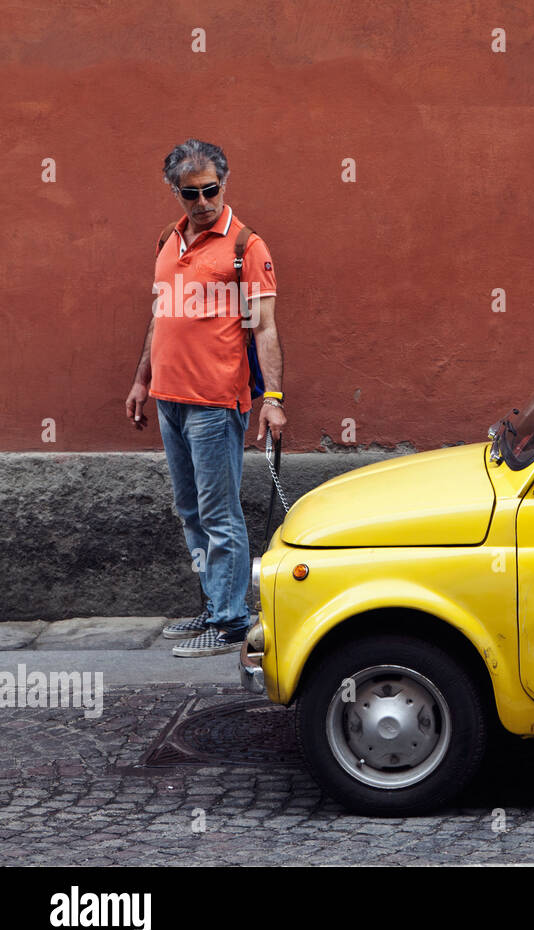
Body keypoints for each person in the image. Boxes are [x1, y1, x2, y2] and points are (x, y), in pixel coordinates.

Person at [124, 139, 286, 657]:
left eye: (211, 189)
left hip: (215, 402)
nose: (203, 201)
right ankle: (214, 607)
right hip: (168, 397)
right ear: (175, 192)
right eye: (190, 193)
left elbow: (264, 328)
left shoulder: (246, 246)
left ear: (225, 182)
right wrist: (141, 379)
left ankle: (233, 622)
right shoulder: (167, 242)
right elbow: (160, 316)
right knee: (190, 509)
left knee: (220, 514)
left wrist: (274, 398)